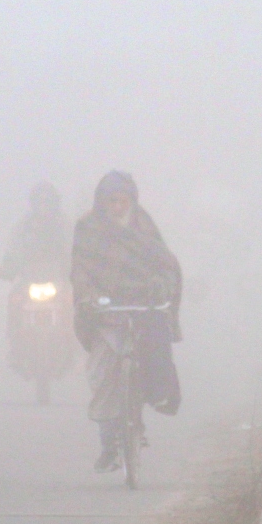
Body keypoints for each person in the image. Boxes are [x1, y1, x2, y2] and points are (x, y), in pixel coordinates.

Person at [71, 171, 181, 472]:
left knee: (154, 355)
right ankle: (109, 443)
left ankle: (148, 408)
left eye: (121, 200)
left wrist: (162, 285)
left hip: (142, 305)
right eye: (110, 201)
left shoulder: (144, 225)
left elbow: (165, 262)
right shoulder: (88, 227)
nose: (116, 207)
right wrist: (88, 297)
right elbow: (80, 270)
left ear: (131, 200)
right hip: (105, 311)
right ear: (100, 202)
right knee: (101, 373)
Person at [0, 181, 69, 283]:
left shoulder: (65, 225)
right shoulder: (23, 227)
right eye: (39, 202)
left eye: (47, 202)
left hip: (60, 280)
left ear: (55, 203)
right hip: (28, 281)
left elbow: (76, 249)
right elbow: (13, 249)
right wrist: (8, 267)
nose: (43, 207)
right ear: (33, 204)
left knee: (74, 297)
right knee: (15, 298)